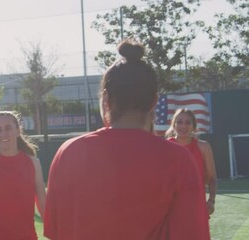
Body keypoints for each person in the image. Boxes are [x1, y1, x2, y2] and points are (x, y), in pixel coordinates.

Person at [43, 39, 210, 240]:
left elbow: (55, 231)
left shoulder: (69, 152)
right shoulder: (178, 159)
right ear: (154, 101)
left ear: (106, 99)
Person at [0, 111, 46, 240]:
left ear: (18, 131)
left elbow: (43, 205)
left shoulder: (33, 163)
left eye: (8, 128)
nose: (3, 134)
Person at [165, 108, 217, 216]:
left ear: (194, 127)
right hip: (171, 210)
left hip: (197, 208)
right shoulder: (165, 147)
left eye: (188, 123)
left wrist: (211, 201)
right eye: (179, 122)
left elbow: (212, 178)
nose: (183, 126)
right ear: (173, 125)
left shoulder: (204, 147)